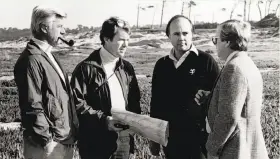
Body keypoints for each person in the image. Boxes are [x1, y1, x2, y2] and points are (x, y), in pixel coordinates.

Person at [149, 15, 220, 159]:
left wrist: (208, 97)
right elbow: (156, 103)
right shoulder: (161, 65)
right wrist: (154, 137)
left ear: (192, 34)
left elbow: (220, 98)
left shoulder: (206, 61)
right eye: (176, 34)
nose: (181, 38)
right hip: (171, 139)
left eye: (185, 33)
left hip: (200, 140)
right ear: (168, 36)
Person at [70, 17, 141, 159]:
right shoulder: (85, 69)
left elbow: (134, 101)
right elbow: (76, 104)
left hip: (123, 141)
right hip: (95, 143)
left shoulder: (127, 67)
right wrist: (105, 121)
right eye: (121, 40)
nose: (126, 44)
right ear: (106, 38)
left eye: (128, 40)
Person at [14, 5, 79, 159]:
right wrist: (48, 142)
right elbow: (32, 106)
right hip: (47, 147)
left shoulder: (47, 55)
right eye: (60, 26)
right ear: (44, 28)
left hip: (61, 141)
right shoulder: (32, 60)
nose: (63, 32)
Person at [205, 20, 269, 159]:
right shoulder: (247, 63)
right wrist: (212, 97)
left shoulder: (233, 68)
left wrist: (211, 148)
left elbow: (228, 117)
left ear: (227, 42)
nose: (215, 45)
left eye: (216, 40)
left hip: (235, 149)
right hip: (248, 144)